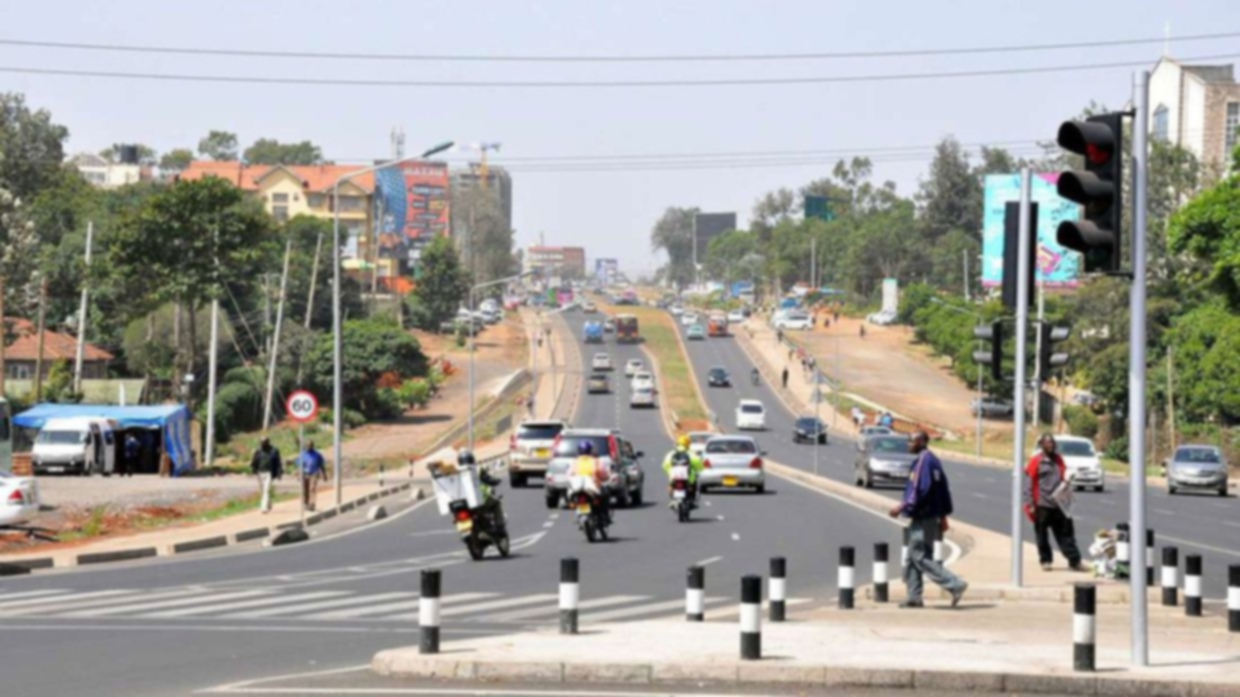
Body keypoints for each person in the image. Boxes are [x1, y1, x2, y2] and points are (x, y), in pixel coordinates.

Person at [888, 431, 968, 608]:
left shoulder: (924, 461)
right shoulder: (933, 460)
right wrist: (943, 514)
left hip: (923, 516)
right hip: (930, 516)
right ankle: (914, 596)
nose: (908, 444)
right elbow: (942, 490)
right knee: (911, 557)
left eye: (911, 441)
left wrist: (901, 508)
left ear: (921, 441)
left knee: (920, 556)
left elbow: (918, 490)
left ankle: (955, 584)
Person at [1024, 434, 1084, 572]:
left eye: (1052, 443)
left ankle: (1075, 561)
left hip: (1059, 504)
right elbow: (1028, 483)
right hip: (1042, 505)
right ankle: (1046, 560)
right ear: (1041, 445)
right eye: (1047, 443)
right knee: (1042, 535)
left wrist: (1068, 483)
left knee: (1067, 534)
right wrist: (1031, 504)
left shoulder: (1058, 459)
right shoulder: (1036, 461)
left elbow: (1064, 476)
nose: (1050, 445)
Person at [460, 450, 506, 532]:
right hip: (481, 502)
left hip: (465, 505)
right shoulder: (477, 469)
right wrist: (497, 481)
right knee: (496, 503)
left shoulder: (457, 473)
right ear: (472, 460)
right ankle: (500, 527)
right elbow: (489, 480)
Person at [573, 441, 611, 524]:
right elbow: (603, 473)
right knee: (606, 495)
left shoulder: (575, 462)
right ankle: (605, 515)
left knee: (574, 500)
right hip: (593, 487)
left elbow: (569, 474)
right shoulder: (596, 461)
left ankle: (578, 515)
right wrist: (606, 477)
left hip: (578, 488)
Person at [662, 434, 704, 508]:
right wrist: (698, 469)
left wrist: (669, 472)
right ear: (687, 444)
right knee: (693, 485)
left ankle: (673, 500)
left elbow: (665, 465)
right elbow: (699, 465)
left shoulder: (671, 454)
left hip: (674, 477)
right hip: (689, 478)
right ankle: (691, 500)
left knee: (671, 486)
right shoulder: (690, 454)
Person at [250, 437, 283, 513]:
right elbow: (254, 462)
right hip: (260, 473)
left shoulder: (274, 451)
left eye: (263, 442)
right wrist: (253, 469)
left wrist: (279, 473)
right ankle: (269, 503)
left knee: (266, 490)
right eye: (261, 442)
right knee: (263, 490)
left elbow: (278, 462)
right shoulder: (258, 451)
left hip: (269, 473)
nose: (262, 444)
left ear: (268, 442)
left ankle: (263, 507)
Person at [297, 441, 327, 512]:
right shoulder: (303, 454)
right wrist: (299, 474)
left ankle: (312, 503)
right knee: (305, 489)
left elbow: (321, 465)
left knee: (312, 488)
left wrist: (324, 474)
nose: (308, 447)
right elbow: (300, 465)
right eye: (307, 446)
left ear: (313, 446)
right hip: (305, 473)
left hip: (314, 473)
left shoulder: (317, 455)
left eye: (310, 446)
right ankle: (306, 503)